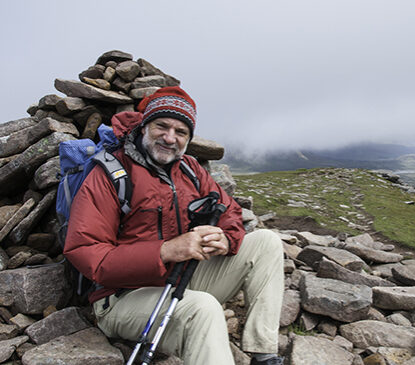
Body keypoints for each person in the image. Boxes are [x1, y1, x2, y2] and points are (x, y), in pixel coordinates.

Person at [63, 86, 284, 365]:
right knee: (203, 309)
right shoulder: (110, 173)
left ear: (188, 138)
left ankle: (264, 354)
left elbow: (228, 209)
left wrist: (227, 239)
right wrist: (165, 251)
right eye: (162, 126)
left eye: (181, 132)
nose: (170, 138)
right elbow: (87, 251)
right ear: (144, 126)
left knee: (266, 242)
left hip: (181, 280)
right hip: (122, 298)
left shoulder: (190, 169)